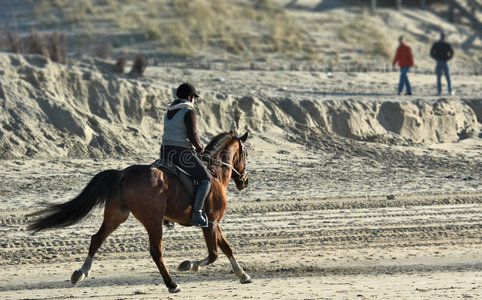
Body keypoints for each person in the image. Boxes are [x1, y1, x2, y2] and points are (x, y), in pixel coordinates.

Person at [160, 83, 210, 227]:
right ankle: (197, 214)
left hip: (164, 152)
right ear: (189, 97)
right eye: (193, 97)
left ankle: (167, 215)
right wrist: (200, 148)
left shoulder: (169, 111)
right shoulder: (189, 111)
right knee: (205, 179)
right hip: (181, 153)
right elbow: (192, 134)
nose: (194, 100)